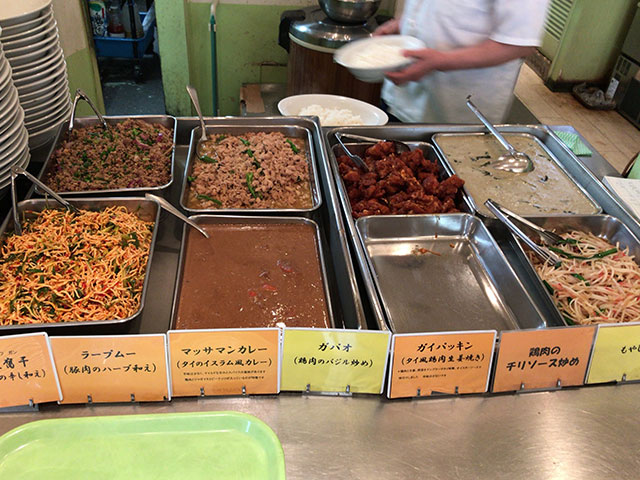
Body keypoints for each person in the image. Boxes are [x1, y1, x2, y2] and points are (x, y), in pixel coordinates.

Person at [375, 0, 551, 124]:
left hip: (457, 110)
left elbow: (519, 45)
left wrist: (441, 61)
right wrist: (402, 23)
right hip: (402, 97)